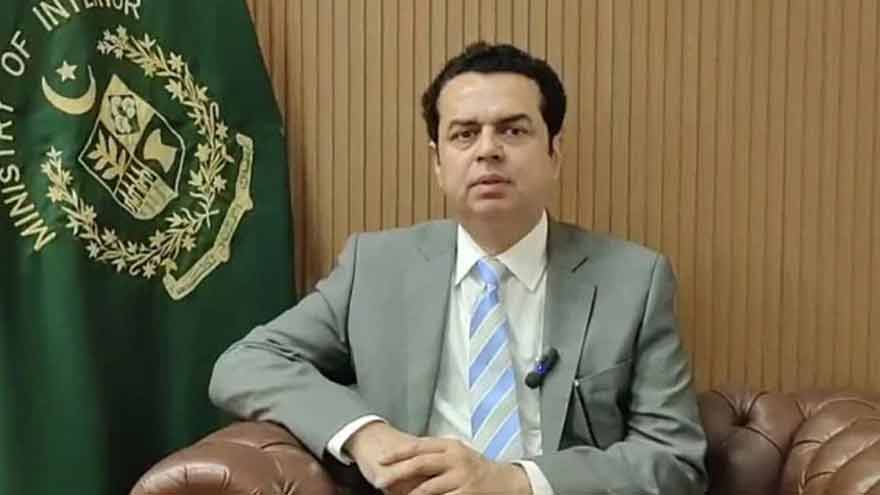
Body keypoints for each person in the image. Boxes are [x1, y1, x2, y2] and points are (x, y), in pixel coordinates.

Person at [210, 42, 707, 495]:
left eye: (513, 130)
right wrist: (364, 433)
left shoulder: (634, 281)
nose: (488, 150)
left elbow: (674, 459)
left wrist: (516, 481)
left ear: (554, 153)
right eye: (465, 134)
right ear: (438, 162)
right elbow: (246, 362)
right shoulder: (375, 267)